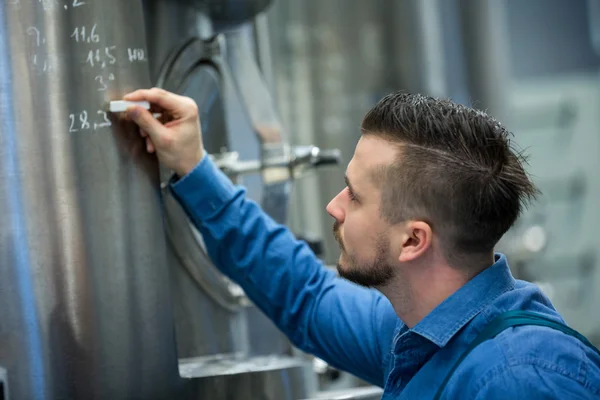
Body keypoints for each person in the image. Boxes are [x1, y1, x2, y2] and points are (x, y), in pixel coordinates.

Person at [122, 88, 600, 399]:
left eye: (354, 195)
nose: (334, 205)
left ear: (413, 239)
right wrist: (194, 165)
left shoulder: (522, 378)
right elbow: (306, 295)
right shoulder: (419, 330)